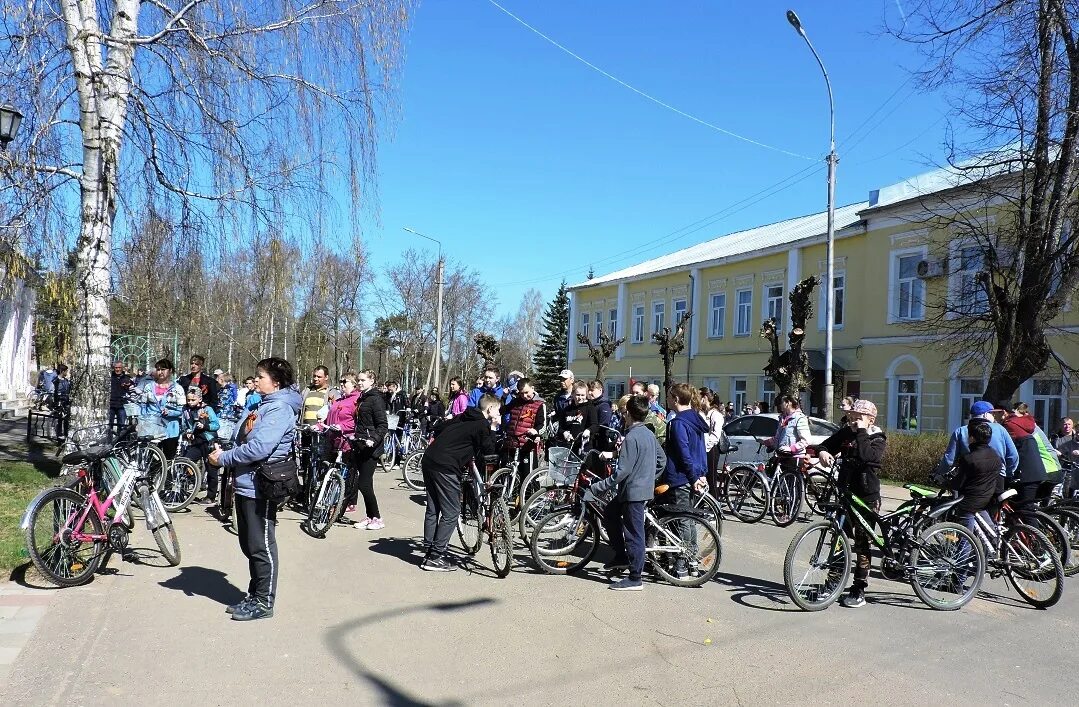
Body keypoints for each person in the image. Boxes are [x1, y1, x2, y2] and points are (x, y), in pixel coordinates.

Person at [208, 357, 301, 621]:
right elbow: (244, 438)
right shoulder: (263, 404)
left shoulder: (279, 409)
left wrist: (224, 458)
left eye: (261, 376)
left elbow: (260, 448)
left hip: (262, 485)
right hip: (246, 483)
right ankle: (255, 594)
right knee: (249, 543)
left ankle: (264, 602)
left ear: (277, 382)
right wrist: (225, 450)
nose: (256, 379)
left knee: (261, 545)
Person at [586, 394, 667, 591]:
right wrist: (648, 477)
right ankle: (621, 557)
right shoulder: (648, 433)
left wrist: (597, 487)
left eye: (624, 413)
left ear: (628, 414)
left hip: (633, 493)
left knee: (634, 534)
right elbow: (662, 460)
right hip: (634, 490)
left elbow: (621, 472)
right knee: (610, 514)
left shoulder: (631, 437)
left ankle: (635, 577)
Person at [814, 398, 887, 608]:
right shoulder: (847, 432)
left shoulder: (877, 437)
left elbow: (868, 457)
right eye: (852, 416)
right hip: (845, 493)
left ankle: (859, 588)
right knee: (838, 539)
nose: (853, 421)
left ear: (871, 419)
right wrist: (823, 452)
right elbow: (826, 444)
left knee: (863, 544)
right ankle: (833, 583)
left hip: (866, 497)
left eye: (859, 418)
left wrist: (862, 431)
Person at [419, 395, 501, 571]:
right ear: (490, 409)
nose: (499, 413)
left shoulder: (464, 415)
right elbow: (488, 451)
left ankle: (429, 549)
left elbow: (439, 427)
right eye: (498, 410)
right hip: (446, 466)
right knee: (452, 511)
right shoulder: (482, 425)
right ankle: (435, 557)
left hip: (430, 459)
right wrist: (493, 428)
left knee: (433, 508)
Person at [660, 383, 709, 578]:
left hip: (681, 477)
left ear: (676, 399)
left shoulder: (678, 423)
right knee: (689, 521)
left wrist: (693, 476)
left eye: (670, 397)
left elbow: (684, 453)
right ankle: (693, 561)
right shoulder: (695, 418)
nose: (668, 400)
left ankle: (681, 563)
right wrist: (701, 473)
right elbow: (701, 450)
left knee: (681, 521)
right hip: (693, 475)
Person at [941, 418, 1005, 535]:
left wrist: (946, 483)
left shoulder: (969, 458)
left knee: (965, 536)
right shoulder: (995, 455)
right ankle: (993, 546)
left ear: (972, 438)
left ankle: (964, 553)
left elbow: (959, 483)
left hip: (970, 503)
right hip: (987, 499)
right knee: (990, 531)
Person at [998, 401, 1059, 521]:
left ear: (1004, 412)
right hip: (1046, 469)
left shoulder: (1010, 426)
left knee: (1025, 508)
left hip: (1035, 471)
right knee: (1030, 506)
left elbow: (1012, 453)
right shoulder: (1029, 425)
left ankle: (1034, 537)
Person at [938, 401, 1019, 479]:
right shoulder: (1000, 429)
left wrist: (940, 474)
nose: (994, 416)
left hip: (970, 477)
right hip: (997, 476)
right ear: (985, 415)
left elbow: (949, 460)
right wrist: (1008, 473)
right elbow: (1013, 456)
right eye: (992, 413)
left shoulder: (960, 431)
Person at [349, 369, 389, 529]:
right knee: (365, 484)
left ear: (372, 381)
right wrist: (355, 435)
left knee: (364, 484)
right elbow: (362, 423)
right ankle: (370, 516)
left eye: (363, 380)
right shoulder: (362, 398)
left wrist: (373, 439)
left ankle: (378, 519)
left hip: (371, 448)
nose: (359, 383)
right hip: (360, 445)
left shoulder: (376, 399)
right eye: (358, 380)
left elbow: (382, 425)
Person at [180, 387, 221, 503]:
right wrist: (187, 432)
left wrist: (205, 426)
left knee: (211, 468)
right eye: (188, 400)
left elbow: (216, 425)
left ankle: (210, 496)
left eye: (193, 400)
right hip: (195, 442)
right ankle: (184, 490)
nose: (190, 402)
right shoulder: (185, 410)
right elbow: (185, 425)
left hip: (208, 441)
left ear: (199, 399)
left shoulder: (207, 409)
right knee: (185, 462)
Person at [138, 359, 185, 459]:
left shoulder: (177, 388)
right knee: (150, 460)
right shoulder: (148, 387)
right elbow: (143, 406)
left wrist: (170, 412)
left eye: (163, 369)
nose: (160, 372)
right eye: (158, 369)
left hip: (170, 430)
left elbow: (182, 410)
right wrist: (143, 422)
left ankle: (168, 474)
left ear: (170, 370)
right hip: (152, 430)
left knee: (168, 459)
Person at [501, 377, 547, 470]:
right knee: (509, 474)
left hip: (527, 446)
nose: (524, 396)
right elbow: (502, 410)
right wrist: (504, 397)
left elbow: (543, 425)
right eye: (521, 393)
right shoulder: (515, 402)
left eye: (527, 392)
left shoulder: (540, 404)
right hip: (511, 444)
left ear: (532, 388)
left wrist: (536, 431)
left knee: (527, 476)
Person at [762, 395, 811, 472]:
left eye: (782, 403)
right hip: (782, 456)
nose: (780, 405)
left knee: (790, 482)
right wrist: (766, 442)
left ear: (788, 403)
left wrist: (791, 449)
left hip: (794, 458)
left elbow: (806, 440)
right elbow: (778, 437)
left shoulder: (799, 418)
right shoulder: (783, 418)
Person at [698, 388, 725, 492]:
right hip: (705, 448)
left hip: (711, 449)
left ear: (705, 398)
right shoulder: (705, 412)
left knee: (711, 477)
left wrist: (705, 447)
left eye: (699, 397)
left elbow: (715, 435)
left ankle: (714, 503)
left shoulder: (715, 414)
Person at [555, 382, 596, 448]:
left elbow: (595, 425)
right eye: (578, 395)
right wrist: (564, 432)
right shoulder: (567, 409)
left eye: (583, 395)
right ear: (573, 394)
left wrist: (588, 430)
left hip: (584, 445)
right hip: (568, 445)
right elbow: (561, 428)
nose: (580, 397)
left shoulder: (590, 408)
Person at [108, 362, 133, 435]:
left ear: (122, 368)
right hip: (111, 405)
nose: (117, 369)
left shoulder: (127, 378)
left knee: (122, 426)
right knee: (109, 426)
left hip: (122, 405)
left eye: (119, 367)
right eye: (116, 367)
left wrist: (128, 386)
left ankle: (120, 443)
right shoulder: (110, 377)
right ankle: (108, 442)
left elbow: (132, 390)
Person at [53, 365, 72, 440]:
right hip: (59, 402)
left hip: (66, 402)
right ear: (62, 371)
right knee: (59, 420)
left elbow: (68, 390)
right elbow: (54, 392)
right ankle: (59, 436)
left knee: (66, 420)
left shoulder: (66, 381)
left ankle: (66, 435)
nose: (67, 372)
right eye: (66, 371)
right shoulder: (55, 381)